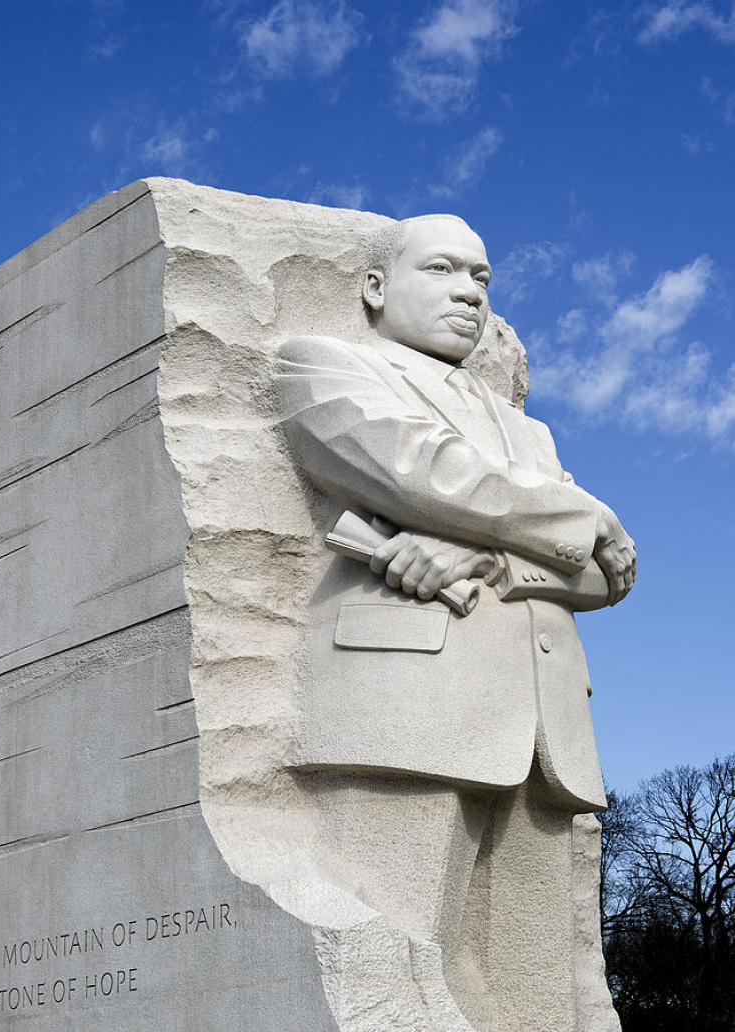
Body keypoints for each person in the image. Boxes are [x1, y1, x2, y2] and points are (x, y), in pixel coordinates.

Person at [277, 214, 635, 1031]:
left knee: (542, 999)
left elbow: (607, 571)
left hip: (548, 734)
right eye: (443, 270)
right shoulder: (323, 364)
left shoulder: (527, 433)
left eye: (482, 279)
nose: (469, 293)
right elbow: (424, 473)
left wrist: (489, 559)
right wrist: (581, 510)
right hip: (408, 709)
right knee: (392, 977)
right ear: (375, 287)